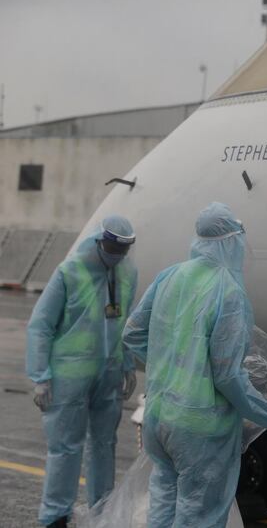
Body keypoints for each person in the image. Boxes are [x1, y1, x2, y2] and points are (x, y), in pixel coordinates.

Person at [122, 202, 267, 528]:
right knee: (200, 517)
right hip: (200, 429)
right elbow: (228, 377)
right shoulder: (228, 291)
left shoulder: (170, 276)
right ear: (228, 241)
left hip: (160, 417)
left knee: (163, 510)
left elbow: (133, 332)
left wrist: (172, 363)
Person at [26, 216, 138, 528]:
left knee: (105, 444)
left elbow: (125, 321)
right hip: (68, 374)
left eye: (123, 249)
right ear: (100, 240)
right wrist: (40, 375)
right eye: (113, 246)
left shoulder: (127, 272)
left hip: (109, 372)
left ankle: (102, 511)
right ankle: (55, 516)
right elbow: (41, 325)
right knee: (65, 447)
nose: (117, 253)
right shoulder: (69, 271)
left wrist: (127, 363)